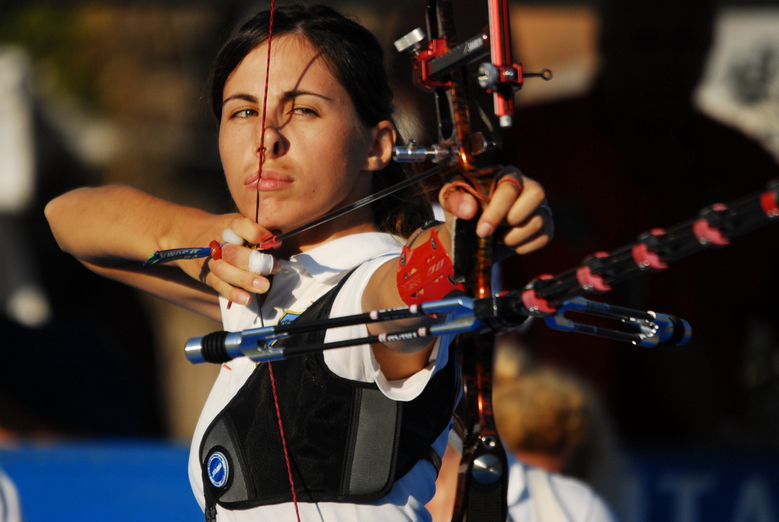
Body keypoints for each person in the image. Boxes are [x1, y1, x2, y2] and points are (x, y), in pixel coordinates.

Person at [45, 4, 551, 521]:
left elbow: (406, 293)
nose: (266, 138)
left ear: (377, 146)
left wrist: (469, 233)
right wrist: (196, 237)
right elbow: (68, 219)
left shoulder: (371, 281)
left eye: (303, 110)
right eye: (242, 112)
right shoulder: (263, 282)